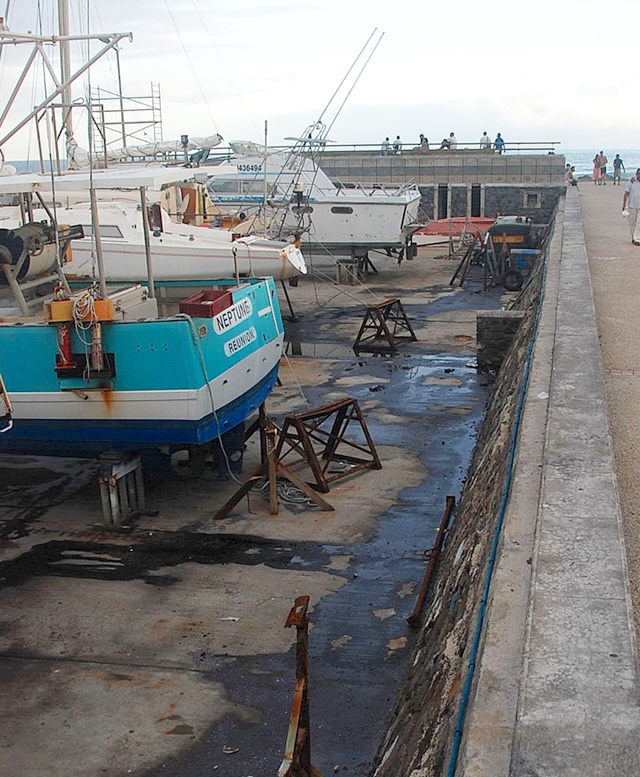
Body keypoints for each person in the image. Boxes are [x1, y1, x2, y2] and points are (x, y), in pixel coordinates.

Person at [622, 169, 640, 245]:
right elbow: (626, 193)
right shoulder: (631, 182)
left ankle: (637, 238)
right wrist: (624, 204)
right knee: (632, 222)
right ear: (636, 174)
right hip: (632, 205)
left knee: (639, 223)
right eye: (639, 174)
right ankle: (633, 237)